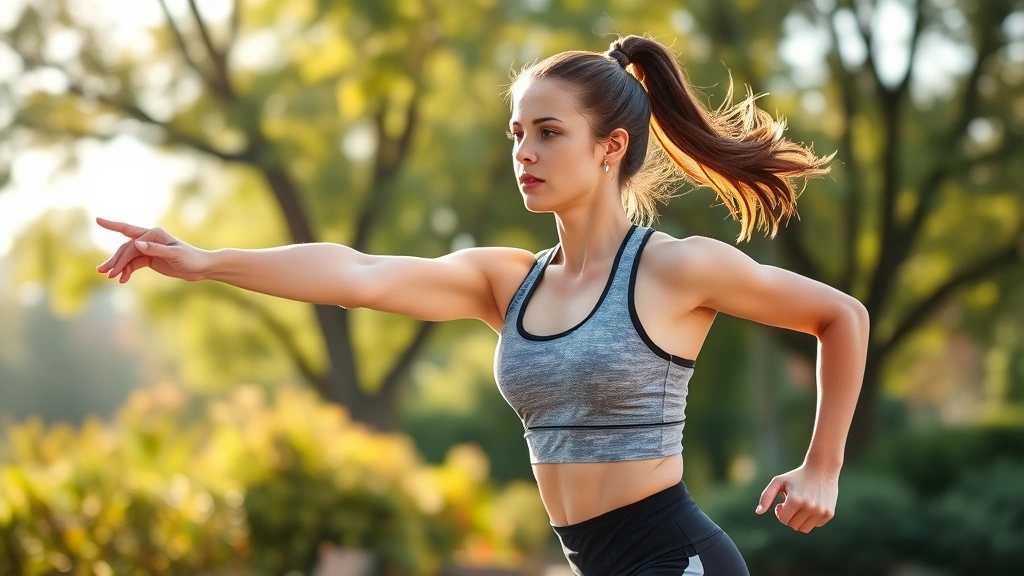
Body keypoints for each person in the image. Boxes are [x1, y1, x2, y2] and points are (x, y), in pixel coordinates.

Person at [96, 34, 869, 576]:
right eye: (516, 134)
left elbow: (843, 317)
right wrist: (204, 262)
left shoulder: (675, 270)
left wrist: (823, 468)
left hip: (676, 558)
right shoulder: (510, 282)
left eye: (548, 132)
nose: (523, 153)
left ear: (611, 149)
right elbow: (360, 272)